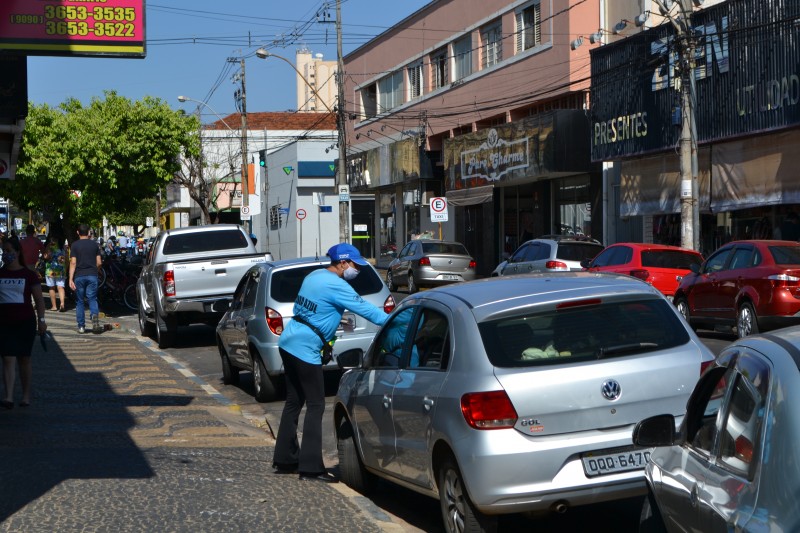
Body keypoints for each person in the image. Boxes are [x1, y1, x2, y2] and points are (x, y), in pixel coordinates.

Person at [272, 243, 389, 482]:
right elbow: (368, 310)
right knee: (316, 405)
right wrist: (394, 321)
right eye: (355, 265)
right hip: (305, 348)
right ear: (343, 263)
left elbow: (312, 310)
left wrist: (337, 322)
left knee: (294, 402)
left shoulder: (315, 276)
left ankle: (285, 460)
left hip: (288, 341)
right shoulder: (338, 285)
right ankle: (311, 468)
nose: (357, 269)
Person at [0, 236, 47, 409]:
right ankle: (9, 396)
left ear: (17, 253)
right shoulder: (1, 273)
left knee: (24, 359)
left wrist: (42, 320)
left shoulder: (28, 274)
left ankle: (26, 395)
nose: (6, 254)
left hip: (25, 321)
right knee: (8, 358)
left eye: (9, 251)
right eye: (4, 251)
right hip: (4, 322)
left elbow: (39, 300)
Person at [69, 224, 103, 334]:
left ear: (78, 232)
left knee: (79, 301)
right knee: (92, 299)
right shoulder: (95, 245)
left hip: (79, 276)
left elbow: (73, 262)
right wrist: (96, 271)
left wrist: (70, 278)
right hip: (92, 275)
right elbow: (99, 262)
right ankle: (94, 316)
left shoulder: (74, 245)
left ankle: (81, 326)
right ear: (88, 232)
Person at [43, 236, 67, 312]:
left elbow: (46, 256)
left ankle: (54, 306)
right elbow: (66, 257)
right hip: (61, 269)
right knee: (60, 287)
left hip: (50, 270)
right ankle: (62, 304)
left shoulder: (49, 246)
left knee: (51, 287)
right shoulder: (62, 246)